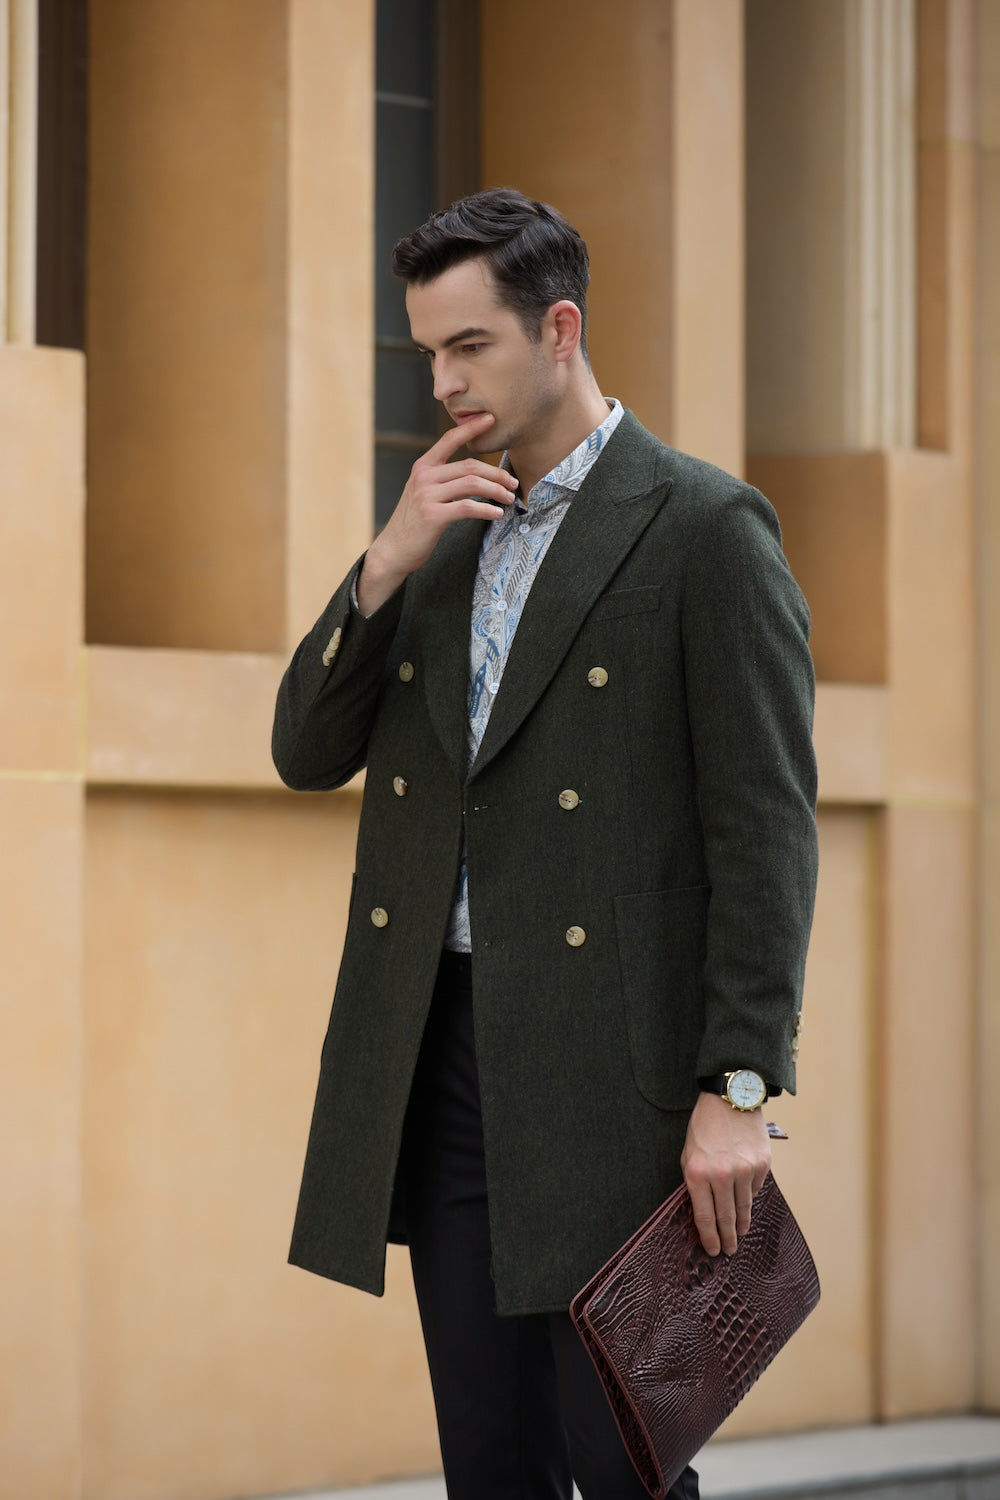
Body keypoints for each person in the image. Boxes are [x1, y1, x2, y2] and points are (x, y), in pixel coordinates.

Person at [272, 187, 818, 1500]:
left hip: (618, 1080)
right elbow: (304, 750)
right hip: (448, 1057)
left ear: (558, 328)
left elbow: (765, 835)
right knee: (492, 1466)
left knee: (621, 1459)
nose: (447, 381)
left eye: (472, 347)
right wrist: (384, 560)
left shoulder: (701, 528)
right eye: (429, 354)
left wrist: (736, 1095)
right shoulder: (446, 535)